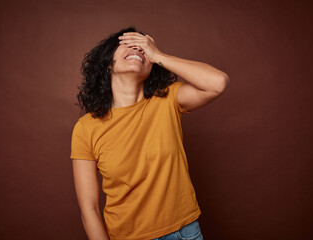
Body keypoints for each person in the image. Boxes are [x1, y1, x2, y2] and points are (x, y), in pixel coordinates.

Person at [70, 26, 229, 240]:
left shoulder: (168, 100)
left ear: (152, 66)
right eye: (126, 43)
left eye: (143, 47)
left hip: (184, 233)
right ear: (108, 63)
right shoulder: (86, 128)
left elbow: (217, 83)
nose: (137, 47)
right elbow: (89, 210)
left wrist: (158, 54)